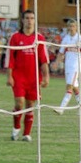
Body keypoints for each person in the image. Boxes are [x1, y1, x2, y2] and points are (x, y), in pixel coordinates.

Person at [5, 10, 50, 142]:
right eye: (27, 18)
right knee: (19, 103)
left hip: (34, 78)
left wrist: (46, 77)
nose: (29, 21)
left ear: (35, 21)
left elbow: (44, 60)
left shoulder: (40, 39)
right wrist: (9, 76)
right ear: (22, 20)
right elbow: (10, 58)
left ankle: (26, 134)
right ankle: (16, 128)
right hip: (18, 76)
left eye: (32, 18)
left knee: (30, 104)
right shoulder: (15, 37)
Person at [54, 20, 81, 115]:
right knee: (75, 88)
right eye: (69, 26)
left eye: (73, 26)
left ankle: (61, 108)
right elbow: (61, 52)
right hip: (68, 66)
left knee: (69, 87)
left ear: (76, 27)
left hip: (76, 67)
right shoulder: (66, 39)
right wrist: (56, 63)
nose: (71, 28)